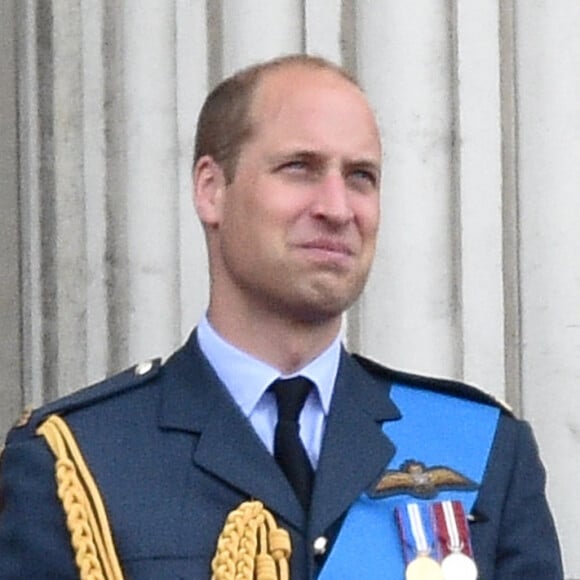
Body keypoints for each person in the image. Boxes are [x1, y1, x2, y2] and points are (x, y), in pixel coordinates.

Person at [0, 55, 563, 579]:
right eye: (300, 168)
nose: (337, 208)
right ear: (211, 189)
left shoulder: (482, 447)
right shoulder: (75, 459)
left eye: (361, 176)